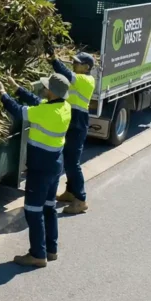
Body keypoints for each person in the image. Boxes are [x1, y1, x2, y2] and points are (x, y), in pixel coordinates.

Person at [0, 73, 72, 268]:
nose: (43, 89)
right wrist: (16, 88)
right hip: (55, 164)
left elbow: (19, 111)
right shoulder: (64, 107)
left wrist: (2, 92)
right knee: (49, 207)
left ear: (52, 92)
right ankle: (51, 250)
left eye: (46, 87)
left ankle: (37, 255)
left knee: (33, 211)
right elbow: (37, 101)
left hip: (40, 168)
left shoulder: (47, 112)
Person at [49, 51, 96, 215]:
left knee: (73, 162)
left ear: (87, 67)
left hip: (78, 120)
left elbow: (65, 73)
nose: (74, 64)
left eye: (77, 63)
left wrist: (54, 59)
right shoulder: (80, 77)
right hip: (72, 118)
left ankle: (81, 200)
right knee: (68, 159)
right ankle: (70, 192)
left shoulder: (86, 80)